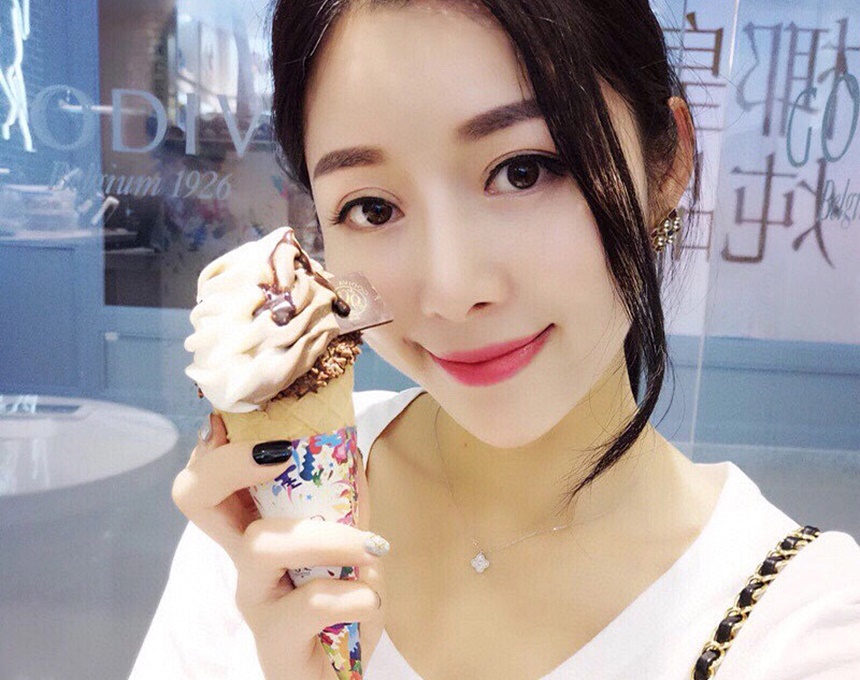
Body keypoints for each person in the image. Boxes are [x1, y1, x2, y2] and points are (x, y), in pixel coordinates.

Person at [130, 1, 860, 678]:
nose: (451, 291)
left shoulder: (801, 627)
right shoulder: (266, 523)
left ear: (665, 163)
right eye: (372, 207)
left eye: (523, 171)